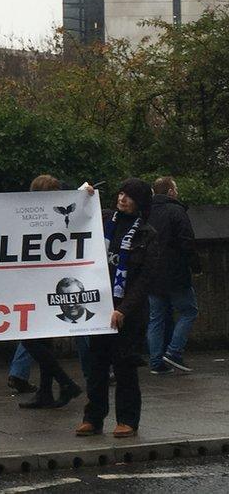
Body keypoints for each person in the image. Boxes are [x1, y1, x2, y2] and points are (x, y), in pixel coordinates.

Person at [76, 178, 161, 439]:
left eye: (130, 196)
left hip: (127, 313)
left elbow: (145, 279)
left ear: (140, 202)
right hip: (100, 307)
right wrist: (82, 194)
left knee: (124, 367)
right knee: (97, 366)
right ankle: (93, 417)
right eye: (121, 193)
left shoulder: (147, 235)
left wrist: (124, 309)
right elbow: (73, 215)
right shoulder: (104, 220)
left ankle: (127, 420)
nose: (122, 199)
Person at [18, 175, 83, 410]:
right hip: (53, 283)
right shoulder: (61, 216)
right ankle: (46, 391)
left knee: (31, 339)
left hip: (42, 283)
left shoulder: (43, 218)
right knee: (41, 340)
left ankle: (65, 383)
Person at [146, 176, 200, 374]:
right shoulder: (177, 211)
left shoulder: (147, 212)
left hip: (151, 274)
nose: (176, 192)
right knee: (189, 311)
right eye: (175, 189)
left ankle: (155, 362)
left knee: (156, 318)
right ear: (170, 191)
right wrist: (196, 266)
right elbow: (187, 241)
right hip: (175, 272)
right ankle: (174, 351)